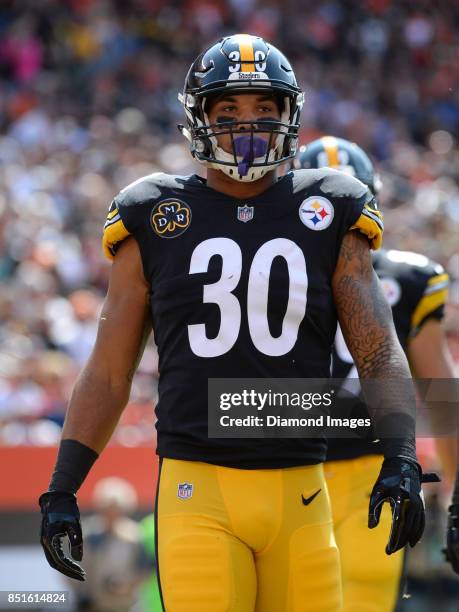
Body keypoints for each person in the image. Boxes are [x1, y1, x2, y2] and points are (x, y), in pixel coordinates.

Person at [40, 35, 428, 612]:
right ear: (198, 118)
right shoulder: (152, 210)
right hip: (199, 490)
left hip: (301, 490)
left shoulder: (331, 204)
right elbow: (109, 369)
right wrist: (63, 485)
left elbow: (376, 348)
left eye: (264, 110)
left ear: (289, 116)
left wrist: (401, 454)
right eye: (229, 111)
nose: (248, 125)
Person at [295, 135, 455, 611]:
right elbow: (444, 397)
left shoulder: (265, 270)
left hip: (338, 471)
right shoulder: (406, 279)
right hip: (316, 469)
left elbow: (443, 395)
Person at [68, 477, 152, 611]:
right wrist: (82, 590)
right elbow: (70, 569)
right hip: (92, 605)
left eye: (116, 509)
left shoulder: (134, 536)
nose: (111, 514)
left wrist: (127, 585)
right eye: (107, 509)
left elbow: (145, 570)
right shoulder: (87, 535)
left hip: (124, 605)